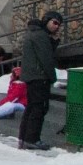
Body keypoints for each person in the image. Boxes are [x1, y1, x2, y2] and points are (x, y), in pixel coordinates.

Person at [18, 10, 62, 150]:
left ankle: (24, 138)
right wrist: (52, 77)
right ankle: (32, 139)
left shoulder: (34, 33)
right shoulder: (40, 36)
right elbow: (46, 59)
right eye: (54, 22)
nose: (56, 26)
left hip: (32, 76)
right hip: (39, 77)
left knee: (31, 107)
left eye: (59, 25)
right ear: (46, 20)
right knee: (39, 107)